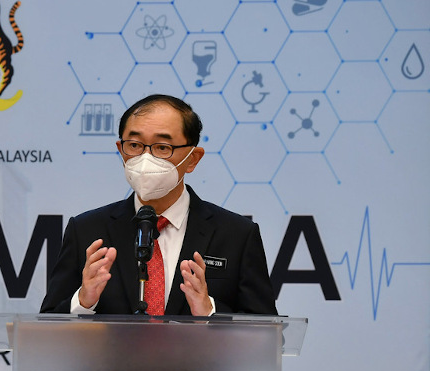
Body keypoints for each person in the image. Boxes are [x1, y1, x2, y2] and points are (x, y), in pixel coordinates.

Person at [41, 94, 278, 316]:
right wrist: (83, 302)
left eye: (162, 148)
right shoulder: (86, 230)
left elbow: (267, 335)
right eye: (134, 145)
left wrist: (209, 311)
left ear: (192, 159)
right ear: (120, 150)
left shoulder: (236, 235)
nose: (146, 158)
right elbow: (47, 329)